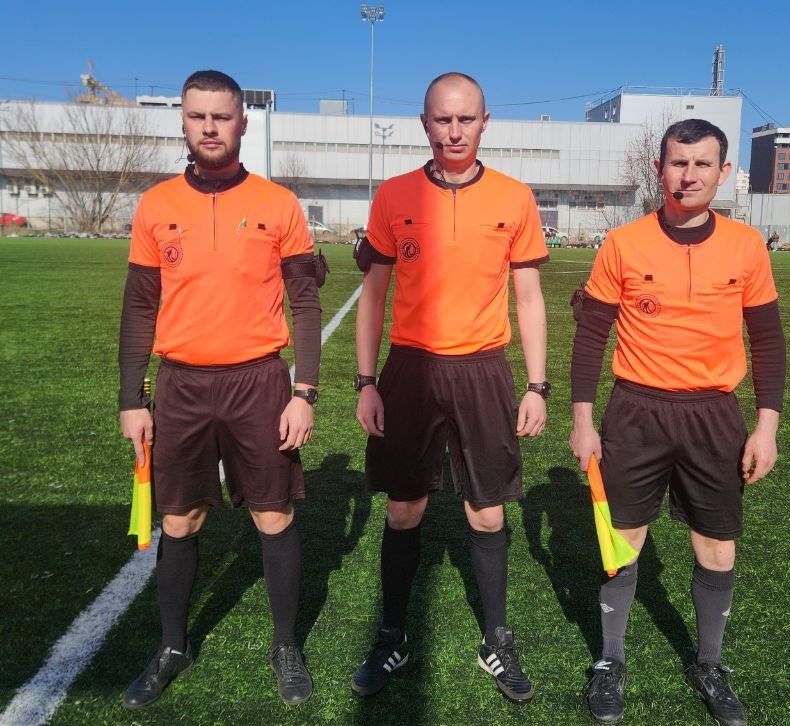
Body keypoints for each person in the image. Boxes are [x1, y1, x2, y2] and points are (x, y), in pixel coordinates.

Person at [117, 70, 323, 709]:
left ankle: (285, 645)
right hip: (180, 385)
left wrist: (304, 392)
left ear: (241, 123)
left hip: (259, 382)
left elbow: (306, 302)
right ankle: (172, 647)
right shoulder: (155, 205)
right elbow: (138, 308)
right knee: (180, 520)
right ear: (184, 120)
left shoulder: (278, 204)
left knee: (273, 513)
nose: (210, 127)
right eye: (197, 116)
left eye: (222, 116)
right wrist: (131, 400)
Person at [570, 119, 785, 726]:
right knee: (622, 541)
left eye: (702, 164)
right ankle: (610, 661)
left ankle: (709, 665)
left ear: (723, 172)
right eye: (677, 163)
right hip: (636, 411)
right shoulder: (623, 243)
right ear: (660, 169)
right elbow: (590, 337)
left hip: (713, 415)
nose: (688, 175)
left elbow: (768, 341)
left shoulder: (746, 246)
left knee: (716, 546)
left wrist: (765, 427)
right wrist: (583, 420)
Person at [351, 71, 549, 704]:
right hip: (410, 369)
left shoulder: (515, 197)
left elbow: (528, 297)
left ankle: (497, 639)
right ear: (425, 123)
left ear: (485, 123)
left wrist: (537, 385)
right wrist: (366, 382)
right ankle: (392, 634)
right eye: (443, 119)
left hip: (483, 369)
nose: (455, 131)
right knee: (404, 507)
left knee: (486, 509)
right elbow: (372, 296)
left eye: (466, 119)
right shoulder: (394, 195)